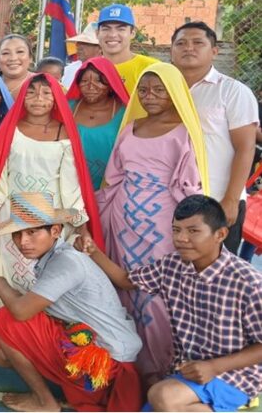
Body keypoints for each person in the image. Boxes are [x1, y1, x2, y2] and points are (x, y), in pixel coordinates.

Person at [0, 73, 103, 343]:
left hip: (50, 216)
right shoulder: (12, 128)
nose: (39, 99)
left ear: (56, 98)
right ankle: (9, 337)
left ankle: (46, 338)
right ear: (22, 97)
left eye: (46, 93)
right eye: (32, 93)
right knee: (11, 272)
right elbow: (2, 175)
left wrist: (83, 228)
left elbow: (71, 184)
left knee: (45, 277)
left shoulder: (63, 131)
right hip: (13, 215)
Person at [82, 195, 262, 412]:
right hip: (186, 373)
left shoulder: (248, 282)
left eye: (193, 231)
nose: (181, 239)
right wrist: (92, 250)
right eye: (176, 230)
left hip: (235, 375)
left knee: (162, 396)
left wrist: (215, 366)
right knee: (163, 403)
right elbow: (126, 280)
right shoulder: (172, 265)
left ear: (220, 234)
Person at [96, 62, 208, 385]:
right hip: (122, 218)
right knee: (122, 290)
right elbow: (112, 179)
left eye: (159, 90)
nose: (150, 96)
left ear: (175, 93)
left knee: (159, 297)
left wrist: (190, 231)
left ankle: (160, 370)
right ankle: (127, 367)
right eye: (144, 90)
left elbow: (190, 186)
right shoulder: (130, 129)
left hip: (163, 225)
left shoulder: (184, 132)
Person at [0, 191, 142, 412]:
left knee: (5, 318)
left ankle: (45, 401)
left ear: (55, 231)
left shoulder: (65, 262)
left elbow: (20, 311)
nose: (23, 241)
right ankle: (82, 392)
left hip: (107, 363)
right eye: (17, 234)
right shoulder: (55, 257)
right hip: (98, 351)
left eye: (32, 232)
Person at [171, 21, 258, 257]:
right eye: (181, 43)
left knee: (215, 276)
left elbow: (245, 147)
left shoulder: (232, 91)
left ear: (214, 51)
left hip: (217, 200)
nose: (189, 48)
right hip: (171, 200)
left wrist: (230, 199)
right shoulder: (164, 90)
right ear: (171, 51)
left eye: (198, 42)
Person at [66, 57, 129, 190]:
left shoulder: (125, 113)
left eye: (98, 81)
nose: (90, 86)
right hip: (68, 186)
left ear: (111, 84)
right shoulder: (67, 108)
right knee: (70, 212)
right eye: (84, 81)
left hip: (108, 188)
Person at [96, 3, 159, 94]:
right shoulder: (89, 69)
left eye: (121, 29)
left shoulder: (151, 68)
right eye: (106, 29)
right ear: (97, 33)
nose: (112, 35)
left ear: (132, 33)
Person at [0, 34, 34, 100]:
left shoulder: (43, 84)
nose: (13, 58)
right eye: (5, 53)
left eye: (20, 51)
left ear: (30, 58)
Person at [62, 22, 102, 87]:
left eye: (85, 43)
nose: (78, 46)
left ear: (100, 48)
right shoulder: (70, 69)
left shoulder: (109, 69)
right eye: (78, 42)